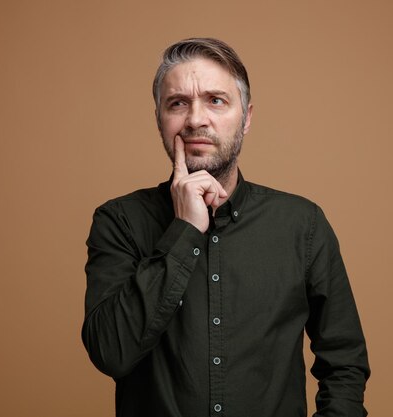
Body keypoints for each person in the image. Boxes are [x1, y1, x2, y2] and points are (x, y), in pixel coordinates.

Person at [82, 37, 370, 417]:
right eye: (178, 103)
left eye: (216, 100)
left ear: (246, 117)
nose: (196, 119)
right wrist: (183, 231)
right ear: (160, 119)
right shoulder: (119, 222)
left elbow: (344, 362)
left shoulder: (303, 225)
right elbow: (110, 353)